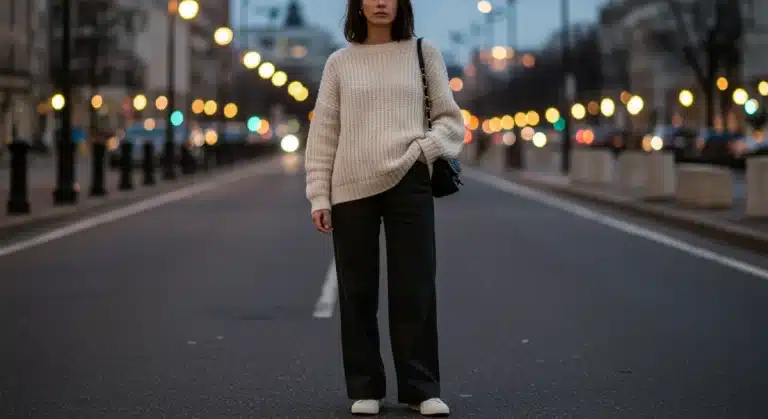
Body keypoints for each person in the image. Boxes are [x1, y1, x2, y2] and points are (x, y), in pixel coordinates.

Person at [304, 0, 465, 415]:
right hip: (351, 185)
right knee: (357, 290)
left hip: (409, 179)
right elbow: (324, 133)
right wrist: (319, 196)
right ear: (357, 6)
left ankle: (420, 388)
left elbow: (450, 120)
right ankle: (365, 388)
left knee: (415, 286)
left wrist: (424, 151)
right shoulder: (339, 63)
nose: (380, 2)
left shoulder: (423, 53)